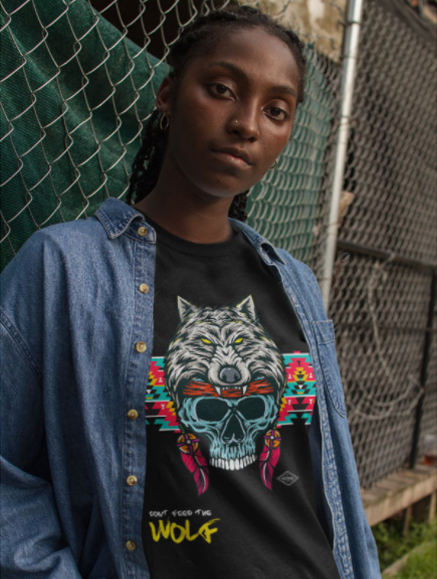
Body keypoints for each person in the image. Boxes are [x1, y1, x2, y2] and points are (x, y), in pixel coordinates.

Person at [0, 5, 381, 579]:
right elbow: (9, 473)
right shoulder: (63, 267)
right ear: (168, 94)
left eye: (276, 111)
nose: (247, 124)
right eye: (223, 89)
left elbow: (330, 476)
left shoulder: (295, 282)